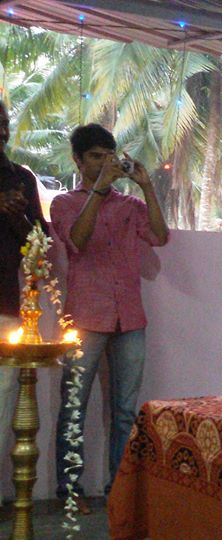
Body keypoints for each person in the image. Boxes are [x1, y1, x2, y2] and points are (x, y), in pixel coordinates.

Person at [50, 124, 169, 505]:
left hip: (130, 317)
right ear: (78, 160)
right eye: (95, 157)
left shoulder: (130, 205)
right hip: (86, 317)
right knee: (74, 408)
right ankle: (69, 492)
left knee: (124, 412)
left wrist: (147, 187)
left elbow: (160, 237)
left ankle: (117, 491)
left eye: (108, 156)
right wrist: (101, 188)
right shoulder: (65, 204)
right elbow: (78, 241)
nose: (104, 163)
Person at [0, 101, 46, 503]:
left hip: (5, 309)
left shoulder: (21, 178)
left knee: (2, 411)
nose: (1, 131)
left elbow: (40, 246)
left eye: (3, 124)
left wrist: (18, 219)